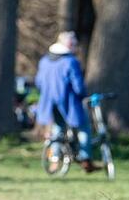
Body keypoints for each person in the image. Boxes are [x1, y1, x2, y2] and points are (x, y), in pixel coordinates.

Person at [35, 31, 96, 173]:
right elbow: (78, 86)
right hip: (68, 101)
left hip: (49, 102)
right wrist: (83, 95)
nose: (76, 47)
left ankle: (55, 159)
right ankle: (86, 158)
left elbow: (38, 82)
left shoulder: (45, 61)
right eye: (74, 44)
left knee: (58, 128)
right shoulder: (70, 61)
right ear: (68, 45)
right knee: (83, 127)